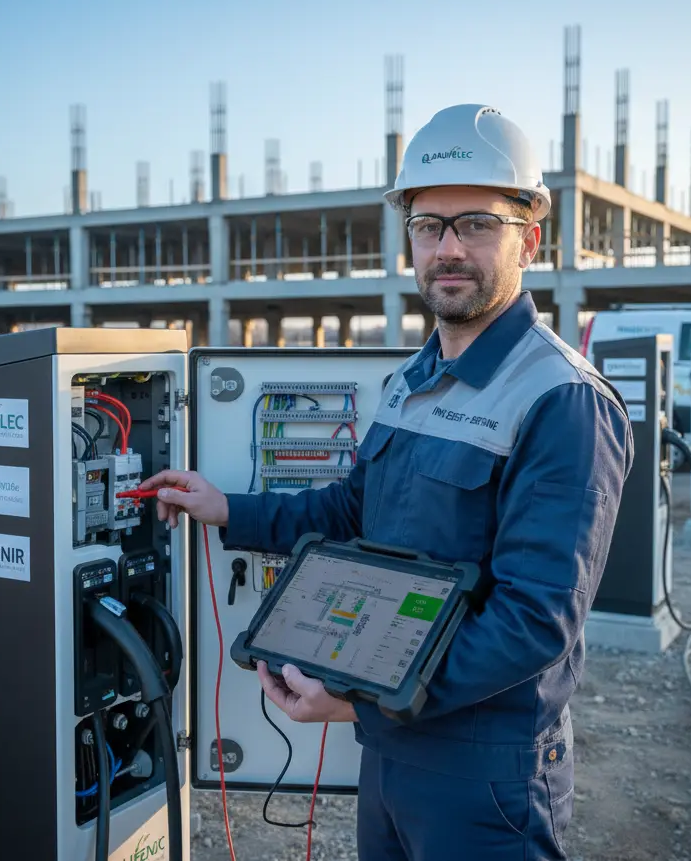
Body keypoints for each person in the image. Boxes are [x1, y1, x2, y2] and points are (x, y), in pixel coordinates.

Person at [141, 104, 634, 860]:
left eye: (476, 224)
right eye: (429, 226)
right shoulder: (412, 380)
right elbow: (351, 508)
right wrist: (225, 508)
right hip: (394, 757)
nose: (448, 249)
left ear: (529, 238)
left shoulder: (560, 398)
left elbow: (535, 619)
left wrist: (363, 705)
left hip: (486, 772)